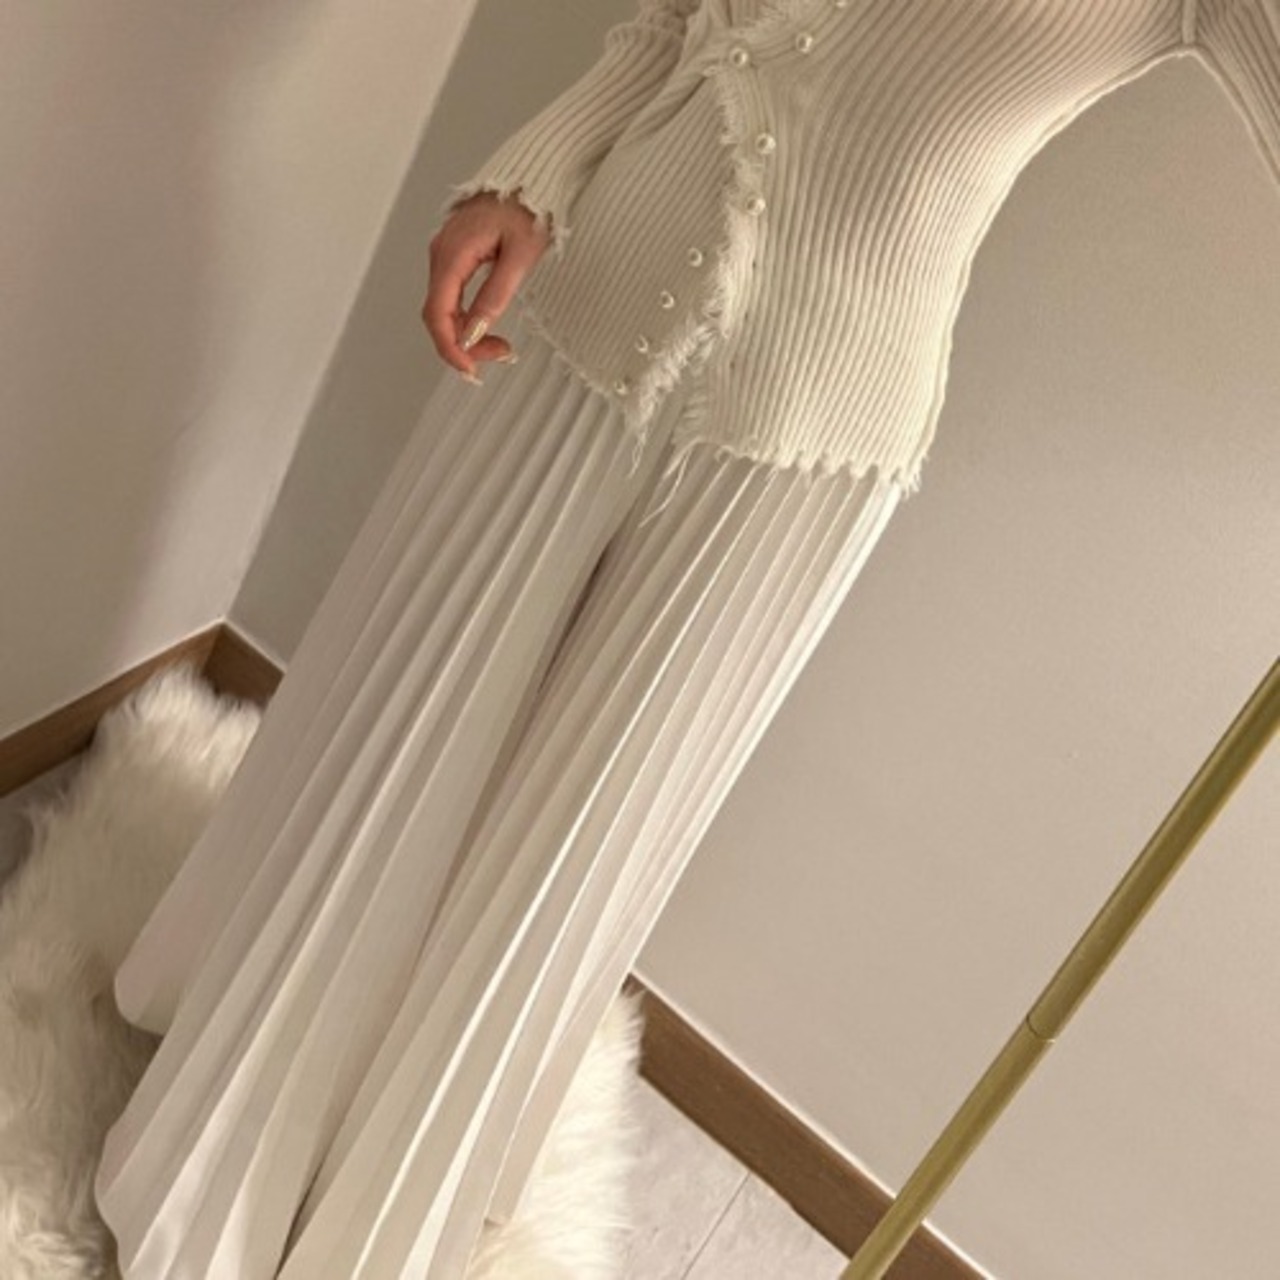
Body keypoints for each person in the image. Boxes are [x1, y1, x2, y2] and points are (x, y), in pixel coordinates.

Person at [95, 1, 1280, 1275]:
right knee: (395, 708)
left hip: (803, 435)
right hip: (587, 284)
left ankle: (379, 1194)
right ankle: (229, 1064)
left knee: (570, 837)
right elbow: (680, 19)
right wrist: (532, 171)